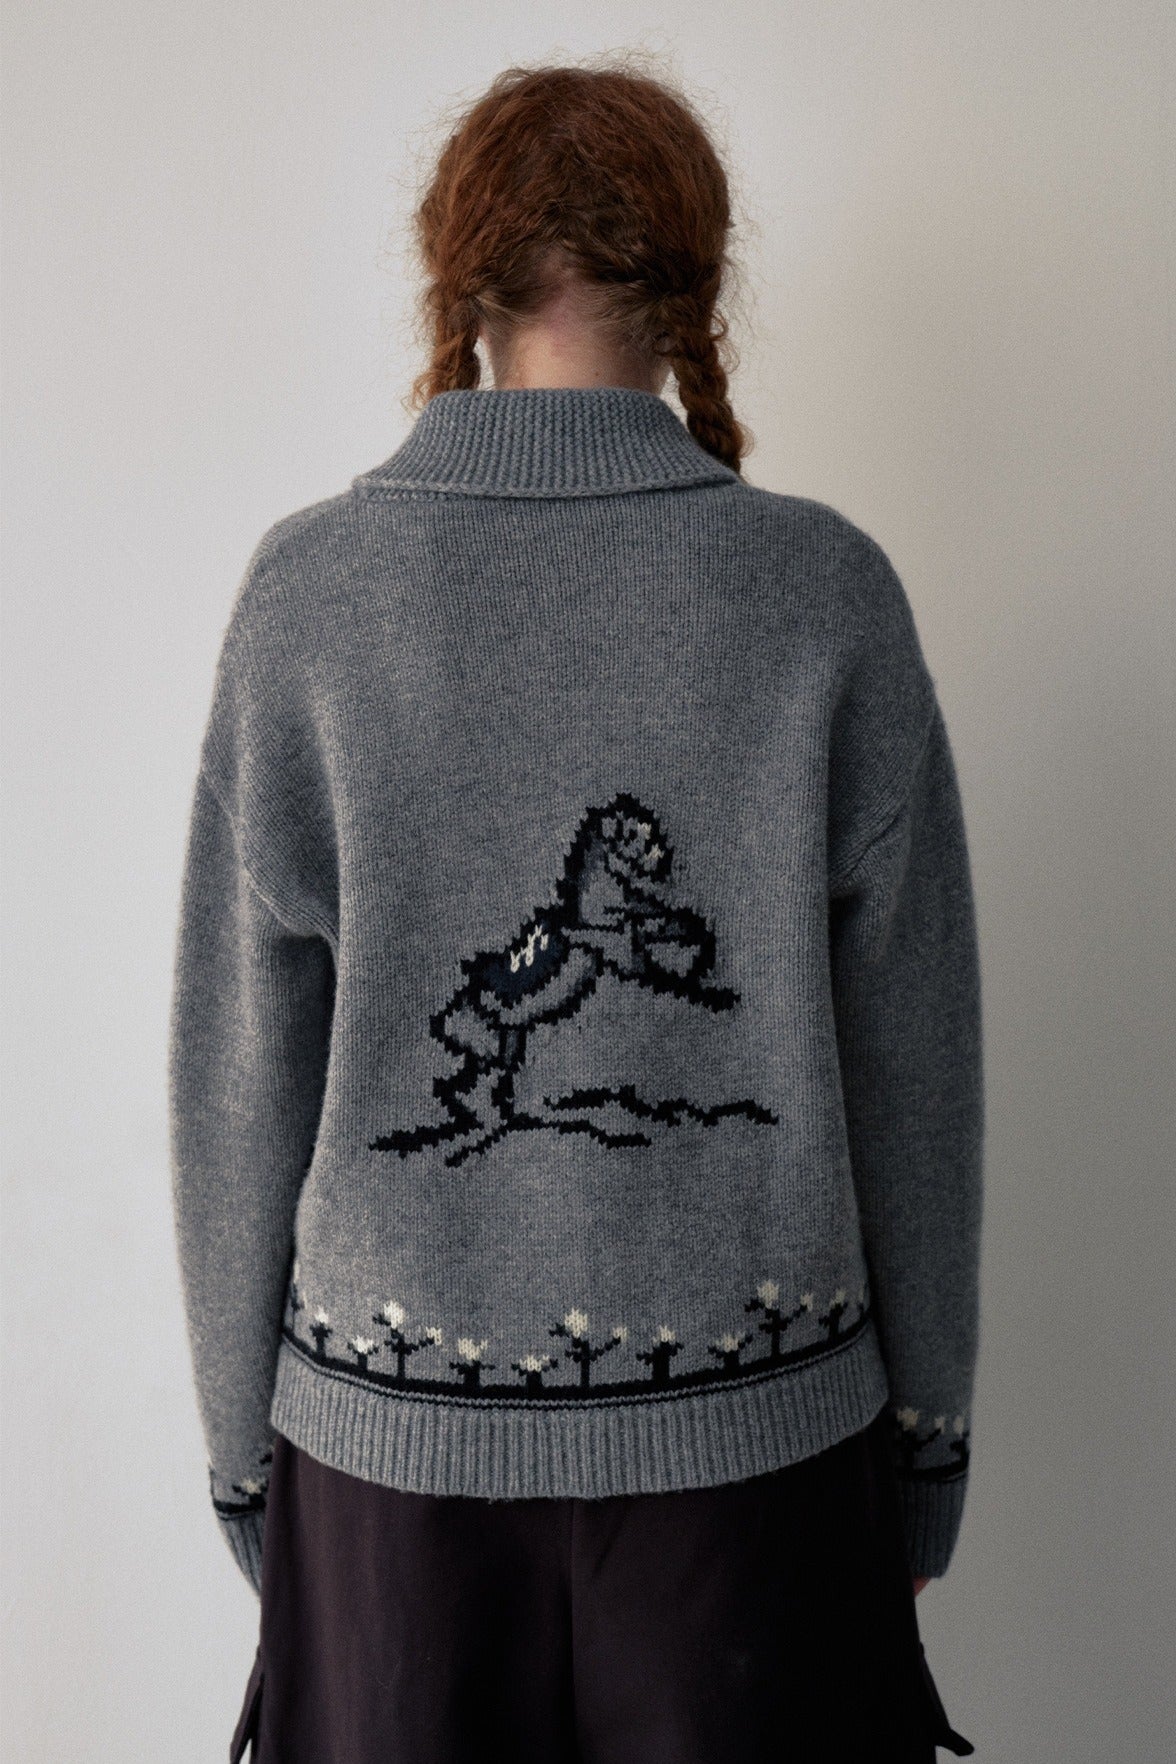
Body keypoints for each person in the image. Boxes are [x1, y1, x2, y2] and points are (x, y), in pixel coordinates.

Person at [168, 57, 982, 1764]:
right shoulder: (825, 595)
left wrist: (250, 1468)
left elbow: (238, 1082)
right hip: (757, 1490)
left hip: (386, 1493)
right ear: (693, 290)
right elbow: (918, 1069)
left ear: (460, 282)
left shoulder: (309, 599)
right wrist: (924, 1452)